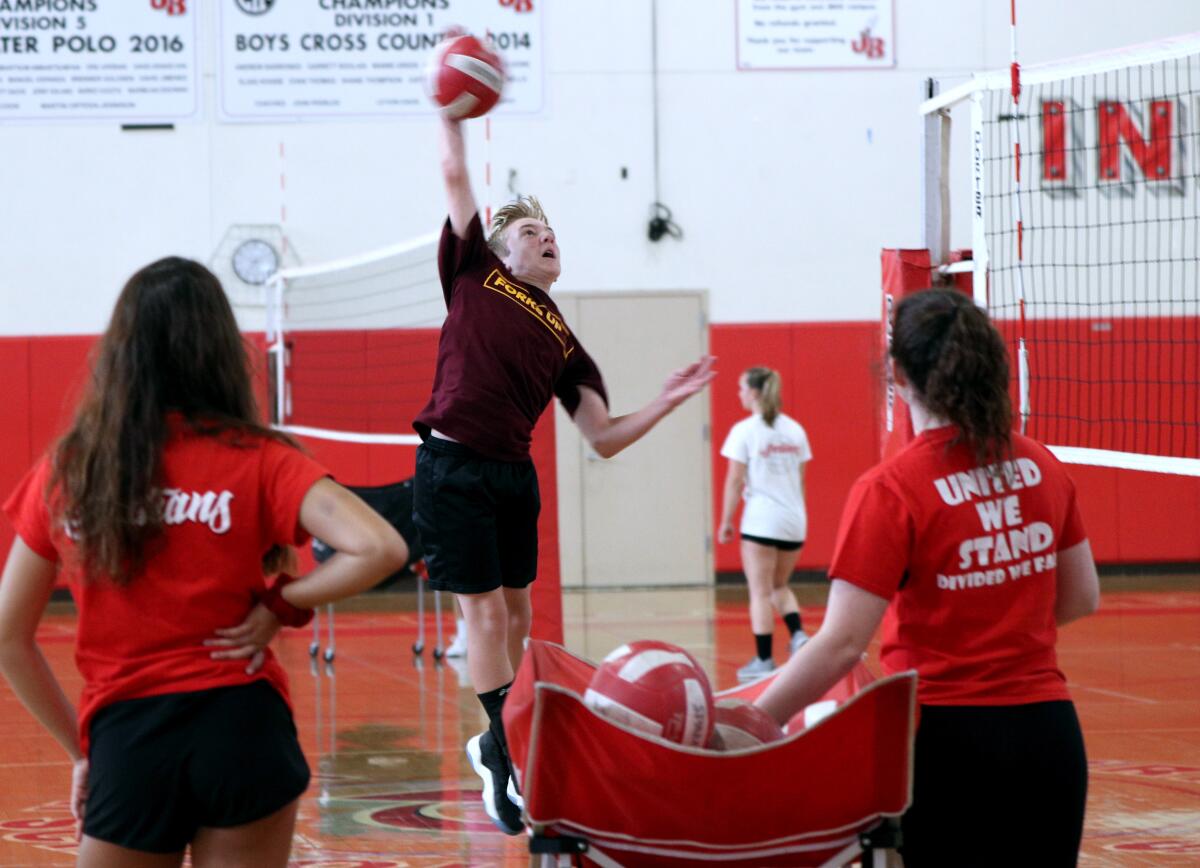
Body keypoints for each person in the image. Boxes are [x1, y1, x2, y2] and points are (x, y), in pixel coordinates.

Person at [0, 258, 408, 868]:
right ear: (219, 349)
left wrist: (83, 750)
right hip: (242, 726)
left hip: (130, 735)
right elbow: (382, 547)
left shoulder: (72, 470)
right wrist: (282, 603)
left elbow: (8, 633)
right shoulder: (260, 458)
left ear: (120, 352)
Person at [413, 114, 716, 835]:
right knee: (484, 616)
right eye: (528, 232)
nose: (545, 237)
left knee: (518, 615)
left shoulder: (564, 339)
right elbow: (456, 176)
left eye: (551, 234)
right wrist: (452, 114)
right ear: (499, 251)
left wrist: (666, 403)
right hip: (453, 466)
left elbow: (603, 437)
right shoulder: (472, 272)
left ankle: (498, 736)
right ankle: (505, 748)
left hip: (513, 477)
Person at [754, 289, 1099, 867]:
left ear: (897, 372)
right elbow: (1081, 596)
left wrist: (752, 719)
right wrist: (1000, 617)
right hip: (1050, 741)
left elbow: (841, 645)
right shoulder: (1041, 464)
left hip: (946, 744)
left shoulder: (892, 488)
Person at [717, 367, 813, 682]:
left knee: (759, 592)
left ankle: (763, 659)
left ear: (755, 392)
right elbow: (800, 481)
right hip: (794, 521)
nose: (739, 393)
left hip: (761, 521)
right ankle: (799, 636)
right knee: (779, 586)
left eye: (741, 388)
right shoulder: (796, 430)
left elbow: (734, 480)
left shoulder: (745, 431)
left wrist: (726, 521)